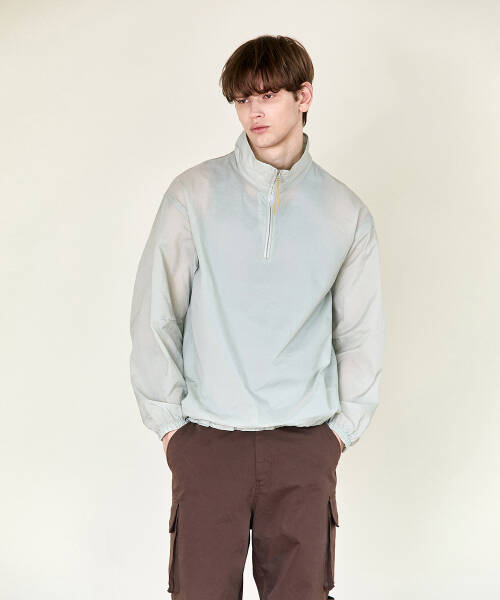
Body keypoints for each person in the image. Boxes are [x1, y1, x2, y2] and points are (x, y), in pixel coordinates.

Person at [129, 34, 384, 600]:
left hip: (304, 446)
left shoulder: (345, 212)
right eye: (242, 99)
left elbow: (361, 333)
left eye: (267, 96)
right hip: (207, 442)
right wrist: (170, 428)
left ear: (304, 96)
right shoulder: (193, 195)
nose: (253, 112)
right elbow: (156, 312)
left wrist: (338, 435)